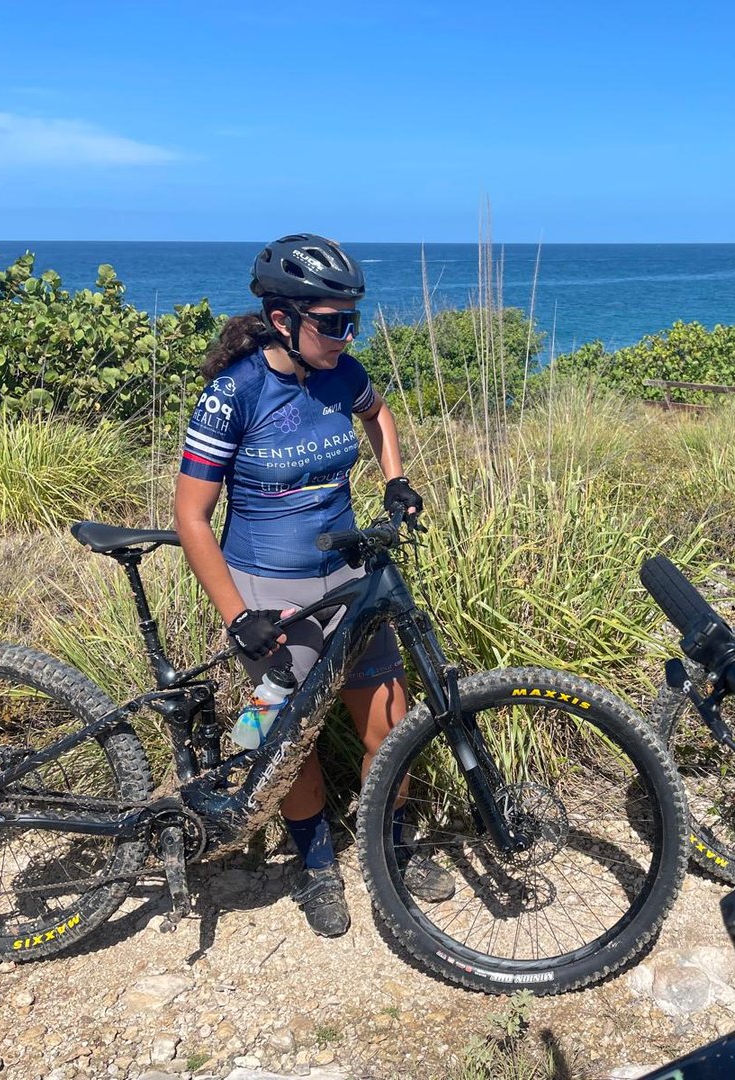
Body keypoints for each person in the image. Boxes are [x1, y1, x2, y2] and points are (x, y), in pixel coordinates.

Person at [175, 233, 453, 938]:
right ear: (281, 321)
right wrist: (239, 618)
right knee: (289, 739)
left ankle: (392, 846)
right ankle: (317, 867)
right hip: (270, 587)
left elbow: (379, 413)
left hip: (353, 575)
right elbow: (191, 517)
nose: (346, 334)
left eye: (352, 319)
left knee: (387, 721)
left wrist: (396, 479)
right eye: (331, 323)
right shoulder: (233, 394)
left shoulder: (340, 372)